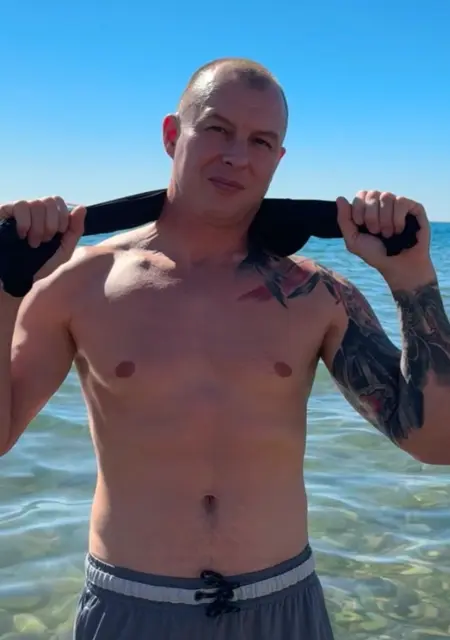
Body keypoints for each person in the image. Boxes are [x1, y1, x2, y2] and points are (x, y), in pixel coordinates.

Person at [1, 57, 449, 640]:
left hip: (282, 602)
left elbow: (436, 443)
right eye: (217, 129)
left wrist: (412, 279)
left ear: (278, 158)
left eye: (261, 141)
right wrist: (6, 288)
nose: (237, 156)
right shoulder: (78, 282)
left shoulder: (316, 293)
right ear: (172, 134)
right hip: (133, 602)